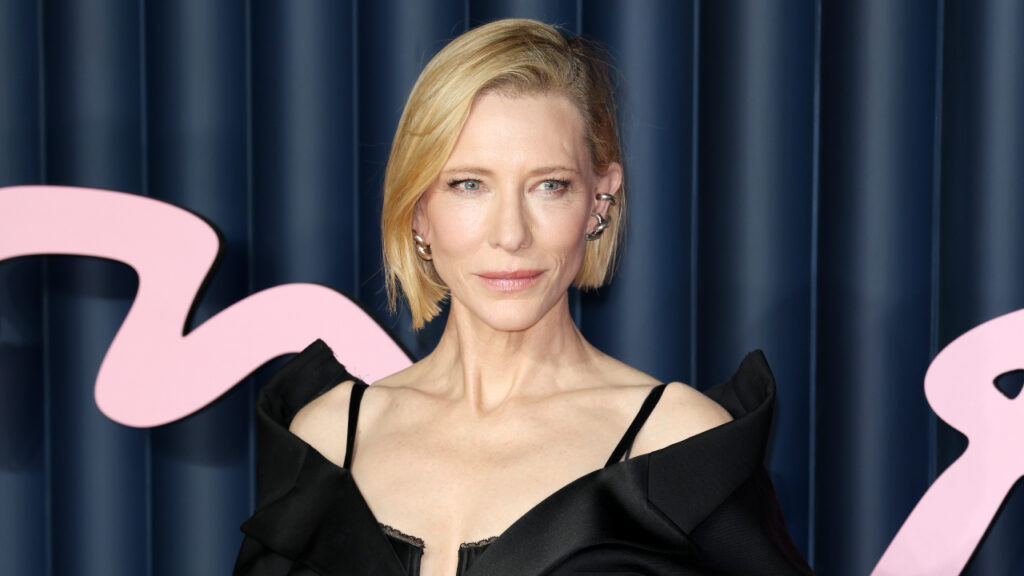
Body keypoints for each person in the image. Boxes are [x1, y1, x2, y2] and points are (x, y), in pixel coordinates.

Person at [234, 18, 812, 576]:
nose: (511, 234)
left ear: (599, 202)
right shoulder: (328, 439)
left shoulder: (676, 444)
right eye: (469, 184)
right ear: (418, 210)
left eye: (549, 185)